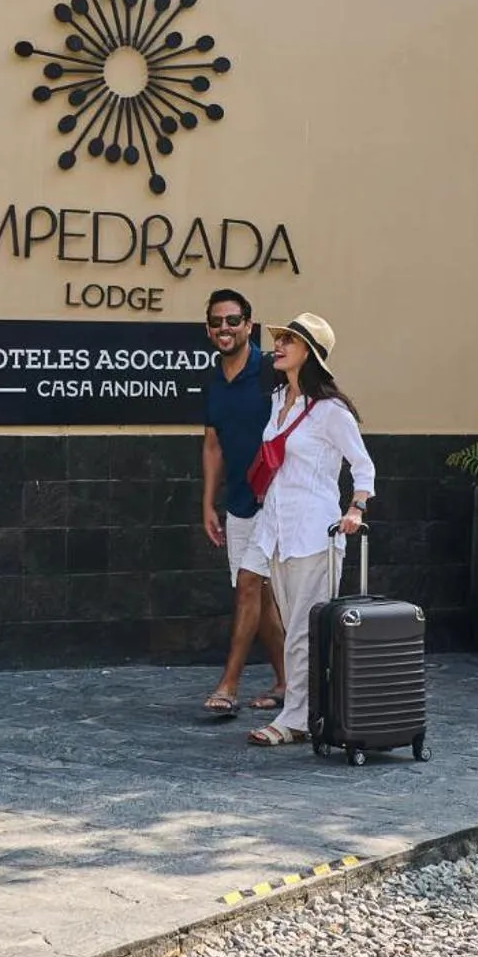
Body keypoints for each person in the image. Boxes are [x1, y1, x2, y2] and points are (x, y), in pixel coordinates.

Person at [245, 313, 373, 748]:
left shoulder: (330, 411)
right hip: (278, 531)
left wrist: (355, 508)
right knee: (293, 628)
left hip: (315, 533)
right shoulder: (279, 400)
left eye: (289, 341)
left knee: (303, 630)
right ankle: (305, 710)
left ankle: (295, 718)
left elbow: (363, 466)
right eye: (279, 339)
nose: (278, 346)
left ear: (310, 354)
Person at [198, 289, 286, 718]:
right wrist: (207, 503)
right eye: (217, 322)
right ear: (208, 329)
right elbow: (212, 444)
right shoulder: (214, 380)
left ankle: (228, 685)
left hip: (277, 500)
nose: (225, 328)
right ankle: (288, 683)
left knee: (250, 585)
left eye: (233, 320)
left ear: (249, 325)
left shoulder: (272, 372)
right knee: (260, 598)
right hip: (237, 502)